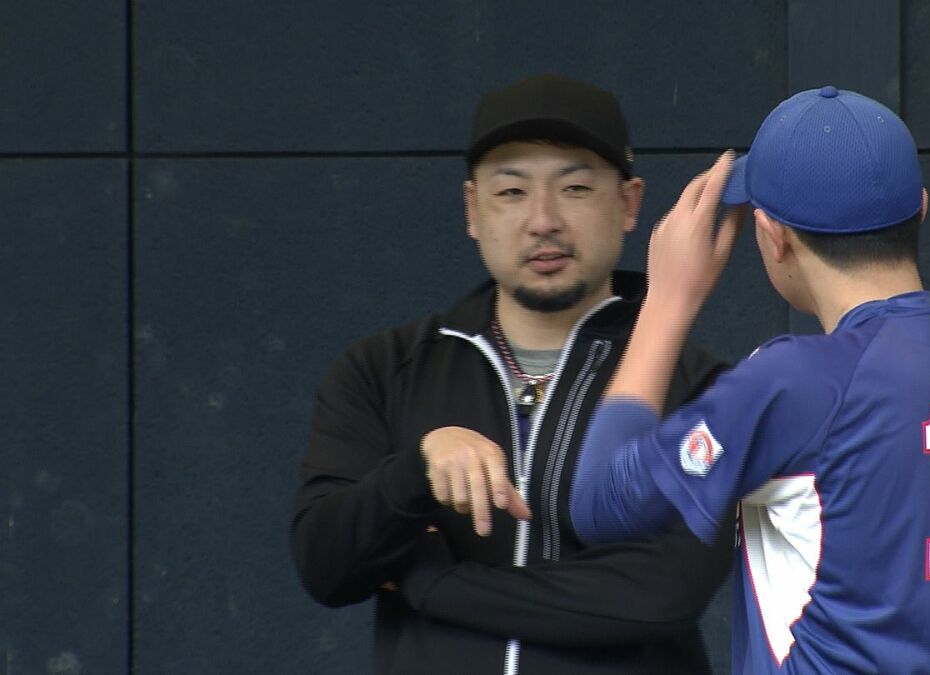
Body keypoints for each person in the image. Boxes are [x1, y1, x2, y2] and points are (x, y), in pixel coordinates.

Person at [570, 86, 930, 673]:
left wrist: (666, 300)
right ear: (920, 208)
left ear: (773, 236)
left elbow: (603, 504)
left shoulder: (802, 380)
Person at [290, 73, 735, 675]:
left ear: (629, 203)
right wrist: (417, 471)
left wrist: (428, 582)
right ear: (472, 209)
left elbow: (659, 595)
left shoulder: (695, 383)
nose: (543, 220)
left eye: (575, 187)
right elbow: (326, 565)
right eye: (511, 192)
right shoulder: (382, 369)